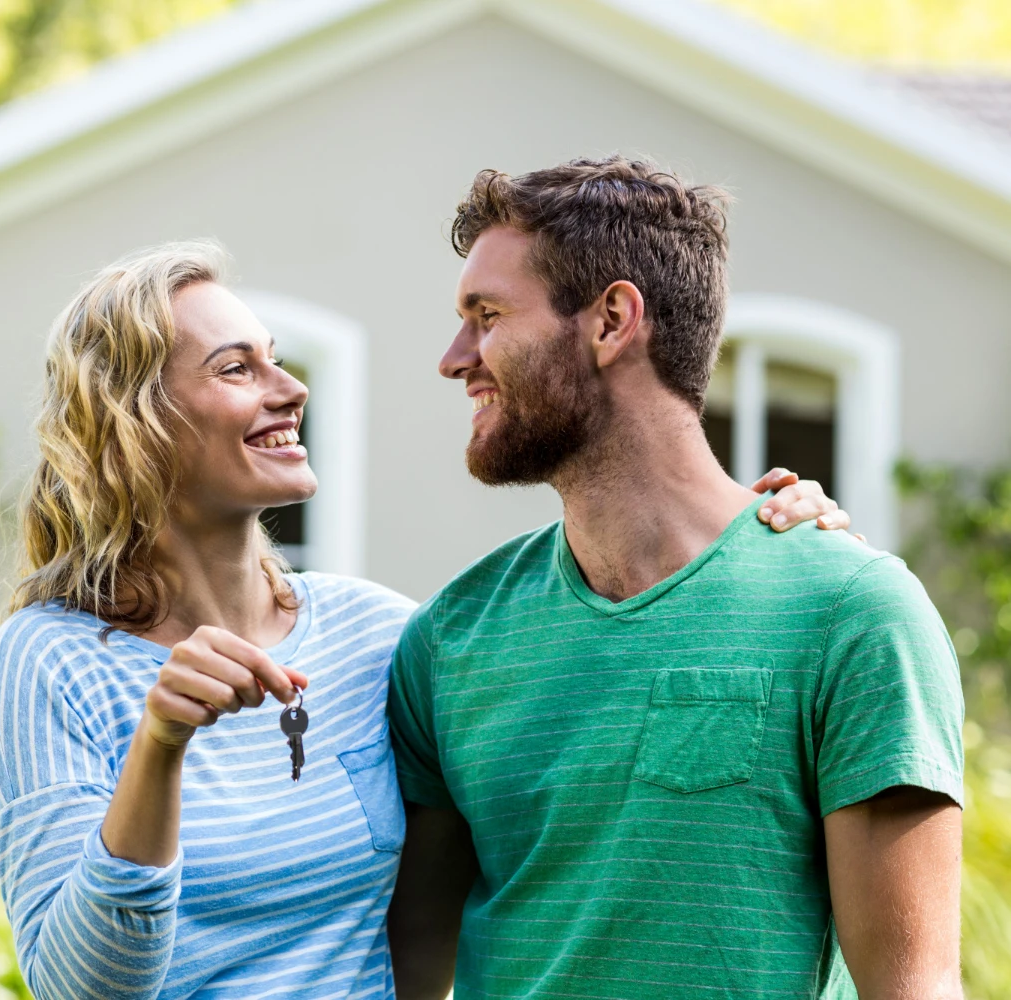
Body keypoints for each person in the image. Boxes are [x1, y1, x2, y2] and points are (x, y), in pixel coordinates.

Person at [0, 241, 851, 1000]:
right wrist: (160, 745)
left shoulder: (382, 637)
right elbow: (84, 984)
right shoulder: (48, 663)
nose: (290, 388)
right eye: (237, 368)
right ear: (133, 423)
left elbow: (574, 767)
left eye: (277, 357)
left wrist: (750, 542)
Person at [385, 159, 965, 1000]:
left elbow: (912, 988)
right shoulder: (451, 637)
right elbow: (406, 967)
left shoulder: (851, 614)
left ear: (612, 320)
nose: (453, 359)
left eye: (487, 316)